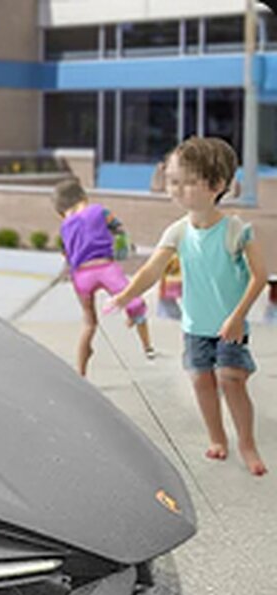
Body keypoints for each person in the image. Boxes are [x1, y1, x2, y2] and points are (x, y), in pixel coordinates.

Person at [109, 136, 267, 476]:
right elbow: (152, 268)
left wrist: (238, 317)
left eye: (188, 182)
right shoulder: (178, 231)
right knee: (201, 382)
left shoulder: (237, 230)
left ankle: (247, 444)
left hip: (230, 325)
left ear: (217, 185)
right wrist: (126, 295)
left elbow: (260, 277)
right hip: (195, 328)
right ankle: (217, 439)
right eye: (173, 181)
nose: (177, 190)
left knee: (231, 379)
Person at [51, 177, 154, 376]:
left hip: (81, 276)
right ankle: (142, 335)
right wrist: (124, 249)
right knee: (135, 302)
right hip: (105, 268)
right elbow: (119, 230)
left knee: (89, 324)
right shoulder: (100, 211)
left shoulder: (65, 226)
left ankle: (81, 372)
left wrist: (68, 270)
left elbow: (67, 254)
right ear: (83, 196)